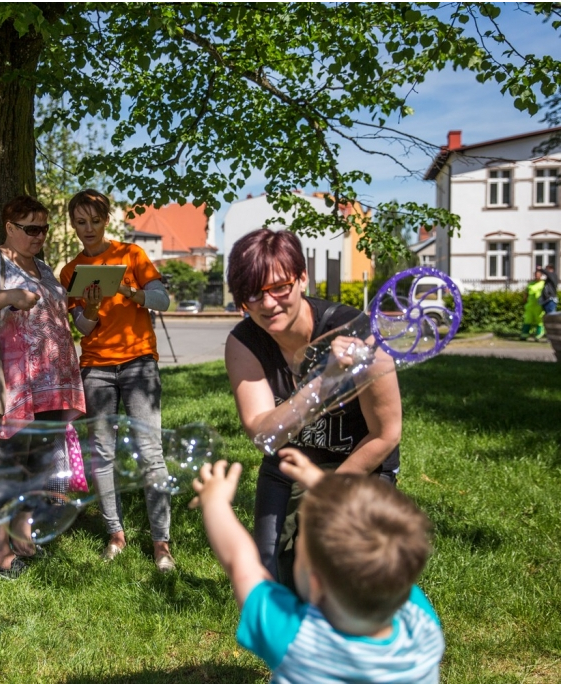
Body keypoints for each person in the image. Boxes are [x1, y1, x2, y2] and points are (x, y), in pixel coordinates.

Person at [225, 228, 402, 587]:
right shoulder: (244, 342)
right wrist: (324, 380)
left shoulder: (359, 332)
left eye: (280, 287)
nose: (268, 303)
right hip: (287, 463)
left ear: (302, 278)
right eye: (253, 294)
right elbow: (263, 434)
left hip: (362, 465)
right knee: (264, 581)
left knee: (345, 580)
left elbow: (386, 433)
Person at [190, 449, 444, 684]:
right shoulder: (421, 623)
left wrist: (215, 503)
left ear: (315, 582)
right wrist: (322, 485)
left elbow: (241, 564)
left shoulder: (298, 640)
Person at [0, 195, 85, 580]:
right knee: (5, 465)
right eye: (31, 229)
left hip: (52, 383)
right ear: (9, 227)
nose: (39, 236)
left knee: (35, 465)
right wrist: (9, 297)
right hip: (13, 385)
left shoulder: (44, 268)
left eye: (43, 228)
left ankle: (24, 537)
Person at [59, 189, 175, 572]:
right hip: (95, 368)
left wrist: (130, 291)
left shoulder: (132, 255)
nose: (87, 228)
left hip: (139, 363)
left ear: (106, 220)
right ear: (72, 224)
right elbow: (81, 327)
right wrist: (89, 309)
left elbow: (162, 301)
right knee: (103, 454)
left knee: (150, 451)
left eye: (94, 220)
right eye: (80, 222)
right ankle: (116, 534)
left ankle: (162, 544)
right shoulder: (70, 270)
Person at [522, 267, 546, 341]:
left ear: (541, 275)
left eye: (538, 275)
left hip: (538, 305)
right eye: (535, 275)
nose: (536, 276)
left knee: (539, 320)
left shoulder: (543, 284)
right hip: (530, 305)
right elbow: (526, 293)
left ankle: (538, 335)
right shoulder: (531, 283)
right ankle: (524, 335)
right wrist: (524, 300)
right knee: (527, 320)